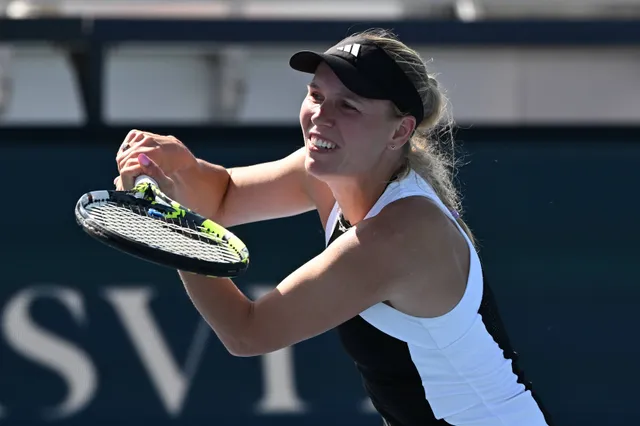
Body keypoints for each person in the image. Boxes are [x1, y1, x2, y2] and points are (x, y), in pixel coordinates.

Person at [115, 28, 552, 426]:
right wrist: (175, 165)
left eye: (349, 106)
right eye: (316, 95)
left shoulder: (400, 235)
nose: (321, 116)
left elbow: (246, 331)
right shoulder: (325, 171)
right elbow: (225, 195)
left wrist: (173, 232)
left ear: (400, 131)